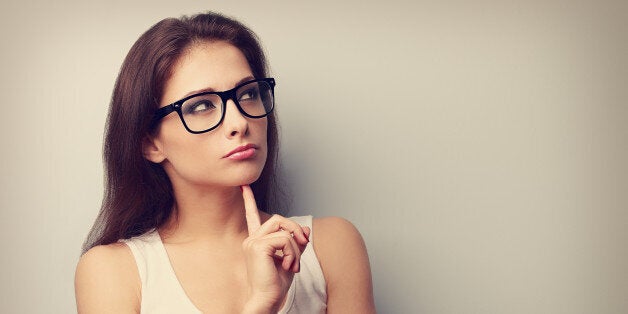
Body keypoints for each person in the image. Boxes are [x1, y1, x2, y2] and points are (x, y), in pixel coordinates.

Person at [74, 11, 375, 314]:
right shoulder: (114, 270)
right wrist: (262, 304)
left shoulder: (329, 246)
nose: (240, 122)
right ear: (150, 143)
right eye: (201, 105)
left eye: (248, 94)